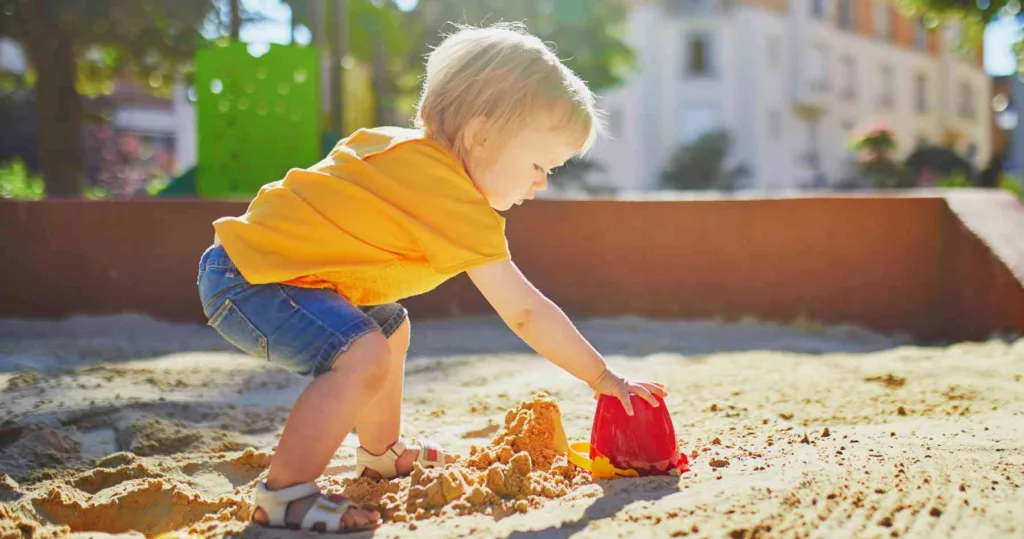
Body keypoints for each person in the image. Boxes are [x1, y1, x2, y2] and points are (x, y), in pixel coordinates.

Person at [196, 23, 667, 532]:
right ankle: (285, 494)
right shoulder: (451, 194)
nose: (541, 182)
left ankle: (380, 454)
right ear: (480, 136)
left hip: (270, 270)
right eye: (537, 163)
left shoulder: (411, 156)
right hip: (253, 281)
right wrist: (601, 378)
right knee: (363, 353)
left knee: (389, 328)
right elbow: (525, 311)